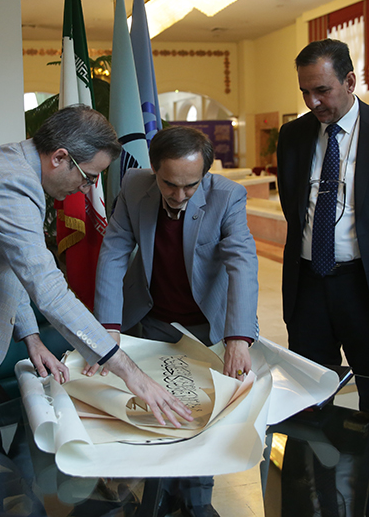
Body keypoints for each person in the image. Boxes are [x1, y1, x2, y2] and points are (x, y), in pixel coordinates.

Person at [0, 105, 193, 461]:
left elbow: (10, 263)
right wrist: (131, 373)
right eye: (89, 177)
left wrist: (31, 337)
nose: (87, 188)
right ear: (60, 157)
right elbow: (47, 289)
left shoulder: (12, 164)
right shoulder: (12, 186)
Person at [276, 38, 369, 515]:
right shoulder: (294, 135)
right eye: (305, 92)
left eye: (322, 90)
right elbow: (294, 208)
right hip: (308, 286)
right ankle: (315, 501)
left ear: (349, 81)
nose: (313, 102)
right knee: (309, 402)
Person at [91, 126, 259, 517]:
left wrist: (238, 338)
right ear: (154, 170)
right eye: (170, 184)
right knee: (157, 411)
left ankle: (197, 504)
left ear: (204, 175)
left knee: (202, 415)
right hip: (154, 318)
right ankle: (160, 499)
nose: (180, 195)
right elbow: (113, 253)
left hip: (206, 326)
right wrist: (109, 327)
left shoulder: (228, 196)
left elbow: (242, 262)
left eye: (190, 186)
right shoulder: (134, 186)